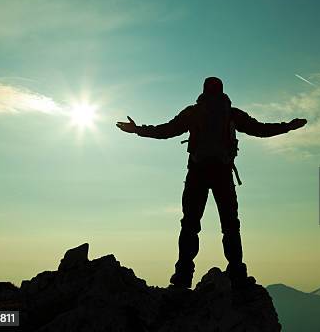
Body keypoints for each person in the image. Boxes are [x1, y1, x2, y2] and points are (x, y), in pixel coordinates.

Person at [116, 77, 307, 288]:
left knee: (189, 224)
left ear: (203, 92)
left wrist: (137, 130)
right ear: (223, 92)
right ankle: (236, 272)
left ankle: (183, 275)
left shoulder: (193, 112)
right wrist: (287, 127)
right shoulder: (232, 114)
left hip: (197, 172)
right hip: (222, 173)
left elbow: (166, 131)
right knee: (230, 224)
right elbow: (260, 129)